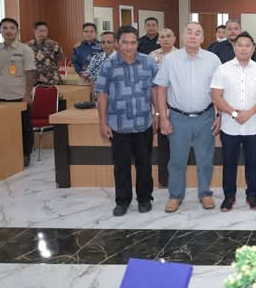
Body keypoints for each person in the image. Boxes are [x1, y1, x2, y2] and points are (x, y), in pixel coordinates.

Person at [154, 22, 222, 213]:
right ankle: (175, 195)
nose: (193, 36)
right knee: (177, 160)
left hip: (205, 117)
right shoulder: (170, 60)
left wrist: (219, 114)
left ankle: (205, 193)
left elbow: (219, 90)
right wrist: (163, 117)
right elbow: (161, 89)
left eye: (197, 33)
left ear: (203, 38)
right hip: (178, 118)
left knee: (205, 159)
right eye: (189, 32)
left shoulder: (213, 59)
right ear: (183, 36)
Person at [95, 25, 159, 217]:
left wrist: (157, 114)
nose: (129, 47)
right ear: (117, 43)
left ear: (137, 43)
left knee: (144, 164)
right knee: (121, 166)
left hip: (143, 123)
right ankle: (122, 201)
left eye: (133, 42)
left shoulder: (149, 63)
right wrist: (102, 122)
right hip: (118, 125)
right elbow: (102, 94)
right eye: (125, 43)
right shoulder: (108, 65)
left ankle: (144, 199)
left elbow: (156, 90)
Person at [211, 31, 256, 211]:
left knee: (252, 162)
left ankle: (252, 195)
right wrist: (234, 113)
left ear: (253, 49)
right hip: (229, 126)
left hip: (253, 126)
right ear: (234, 48)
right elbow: (216, 96)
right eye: (240, 45)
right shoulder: (223, 69)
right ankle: (229, 196)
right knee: (229, 162)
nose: (243, 49)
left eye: (247, 45)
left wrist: (249, 112)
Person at [0, 17, 36, 167]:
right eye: (5, 28)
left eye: (12, 28)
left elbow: (30, 73)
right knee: (4, 128)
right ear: (0, 31)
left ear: (17, 31)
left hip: (20, 96)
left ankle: (26, 154)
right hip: (2, 96)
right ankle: (8, 155)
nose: (8, 31)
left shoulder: (25, 50)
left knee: (24, 127)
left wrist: (27, 94)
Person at [149, 27, 177, 188]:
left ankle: (177, 180)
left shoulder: (181, 55)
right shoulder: (151, 57)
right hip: (158, 104)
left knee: (178, 145)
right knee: (163, 144)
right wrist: (158, 111)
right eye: (162, 37)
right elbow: (151, 84)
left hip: (177, 106)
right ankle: (164, 180)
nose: (165, 39)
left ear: (174, 39)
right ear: (158, 40)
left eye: (168, 36)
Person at [26, 21, 63, 86]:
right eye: (40, 31)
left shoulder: (54, 44)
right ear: (34, 31)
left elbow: (59, 59)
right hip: (34, 80)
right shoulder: (28, 46)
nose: (43, 33)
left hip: (51, 79)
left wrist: (51, 69)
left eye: (45, 31)